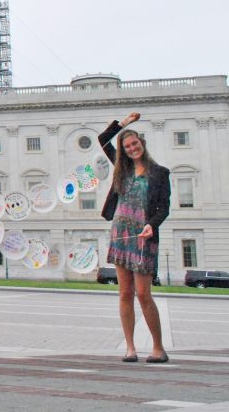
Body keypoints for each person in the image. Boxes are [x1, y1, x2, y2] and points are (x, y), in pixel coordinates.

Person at [99, 112, 171, 364]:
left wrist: (152, 225)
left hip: (143, 236)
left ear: (142, 143)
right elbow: (103, 139)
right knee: (124, 293)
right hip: (121, 233)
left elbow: (164, 206)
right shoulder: (122, 168)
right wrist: (125, 124)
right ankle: (130, 348)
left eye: (135, 144)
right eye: (127, 146)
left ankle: (158, 348)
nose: (132, 149)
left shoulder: (160, 173)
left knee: (143, 293)